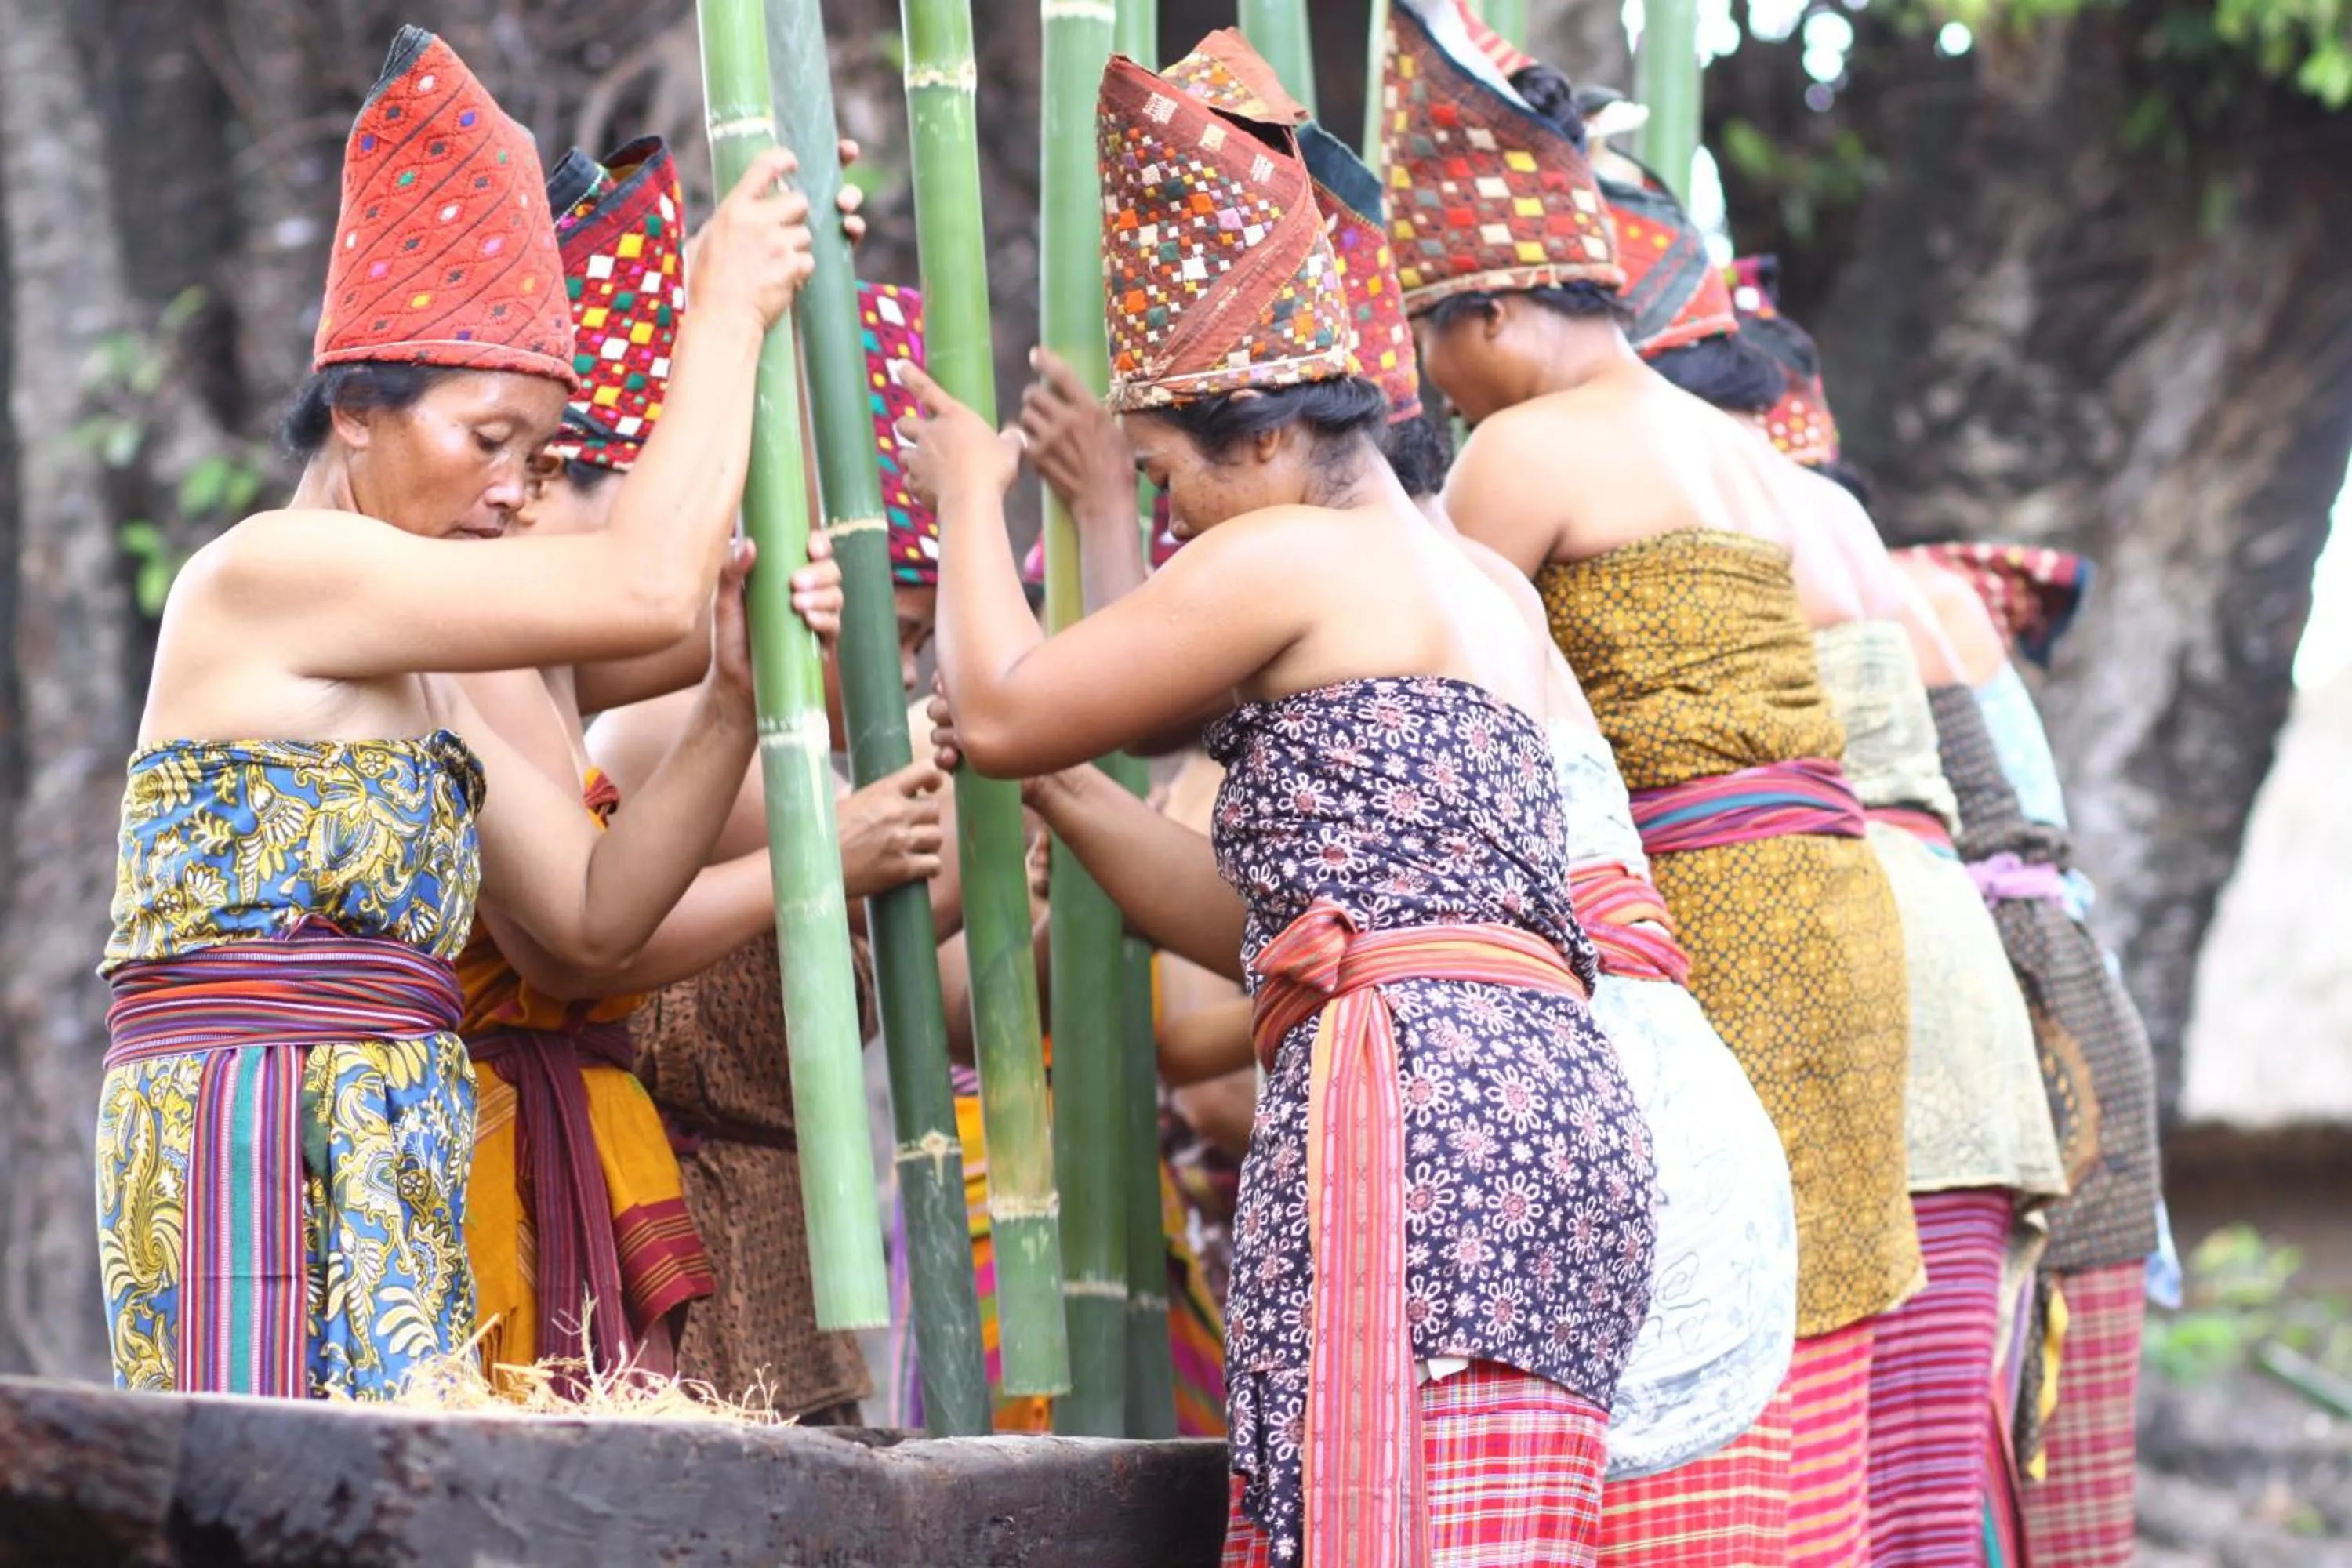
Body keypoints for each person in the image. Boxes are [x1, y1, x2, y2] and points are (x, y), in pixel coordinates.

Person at [904, 34, 1655, 1564]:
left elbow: (992, 703)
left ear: (1261, 437)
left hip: (1416, 1111)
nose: (1172, 518)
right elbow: (1258, 922)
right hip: (1553, 1102)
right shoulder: (1480, 583)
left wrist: (973, 500)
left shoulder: (1290, 557)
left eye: (1171, 477)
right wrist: (1065, 794)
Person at [93, 26, 825, 1399]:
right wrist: (724, 311)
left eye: (539, 457)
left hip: (397, 1147)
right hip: (256, 1137)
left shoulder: (413, 658)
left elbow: (597, 924)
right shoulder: (272, 572)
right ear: (357, 413)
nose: (511, 487)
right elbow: (645, 589)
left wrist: (731, 696)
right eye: (487, 440)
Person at [1384, 5, 1915, 1560]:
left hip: (1704, 921)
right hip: (1840, 908)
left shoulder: (1522, 455)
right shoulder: (1750, 457)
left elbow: (1457, 702)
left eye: (1429, 333)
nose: (1426, 376)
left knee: (1690, 1320)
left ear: (1488, 312)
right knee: (1802, 1325)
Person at [1599, 181, 2071, 1560]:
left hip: (1858, 974)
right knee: (1904, 1493)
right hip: (1936, 975)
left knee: (1840, 1487)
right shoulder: (1830, 521)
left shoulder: (1695, 501)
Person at [455, 133, 870, 1391]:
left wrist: (784, 323)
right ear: (533, 491)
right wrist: (724, 315)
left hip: (592, 1154)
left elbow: (761, 619)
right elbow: (589, 937)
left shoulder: (545, 651)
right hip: (473, 1168)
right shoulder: (440, 630)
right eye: (642, 482)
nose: (687, 529)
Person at [587, 278, 953, 1418]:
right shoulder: (684, 721)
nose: (903, 677)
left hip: (780, 1245)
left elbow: (856, 924)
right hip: (689, 1249)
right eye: (895, 639)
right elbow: (825, 882)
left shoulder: (801, 774)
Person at [1902, 546, 2162, 1568]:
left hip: (2026, 1014)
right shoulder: (1928, 593)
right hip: (2059, 1007)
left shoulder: (1889, 590)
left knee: (2035, 1429)